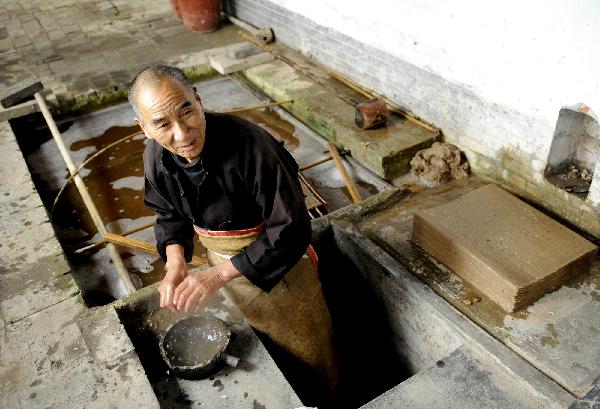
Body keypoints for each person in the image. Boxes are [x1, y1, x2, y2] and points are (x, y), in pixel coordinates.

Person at [127, 64, 337, 394]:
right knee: (261, 350)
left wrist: (220, 274)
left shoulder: (253, 145)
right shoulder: (156, 156)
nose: (182, 134)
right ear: (144, 127)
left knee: (310, 357)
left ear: (198, 99)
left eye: (187, 111)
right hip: (225, 266)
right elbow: (169, 214)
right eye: (162, 124)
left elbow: (292, 227)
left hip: (282, 267)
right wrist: (175, 264)